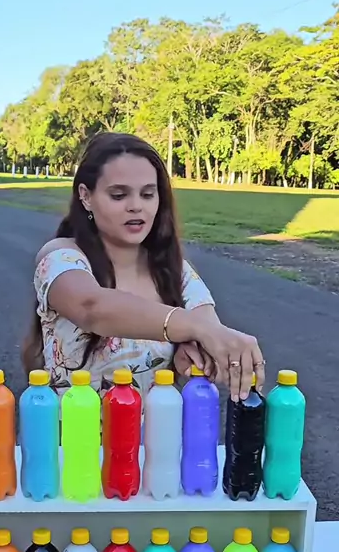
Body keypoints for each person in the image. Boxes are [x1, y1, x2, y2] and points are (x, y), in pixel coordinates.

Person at [22, 132, 265, 402]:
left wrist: (199, 351)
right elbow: (92, 308)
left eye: (148, 194)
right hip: (69, 430)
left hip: (154, 430)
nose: (136, 206)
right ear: (86, 196)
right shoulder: (61, 256)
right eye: (118, 195)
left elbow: (208, 328)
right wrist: (195, 329)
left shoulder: (174, 270)